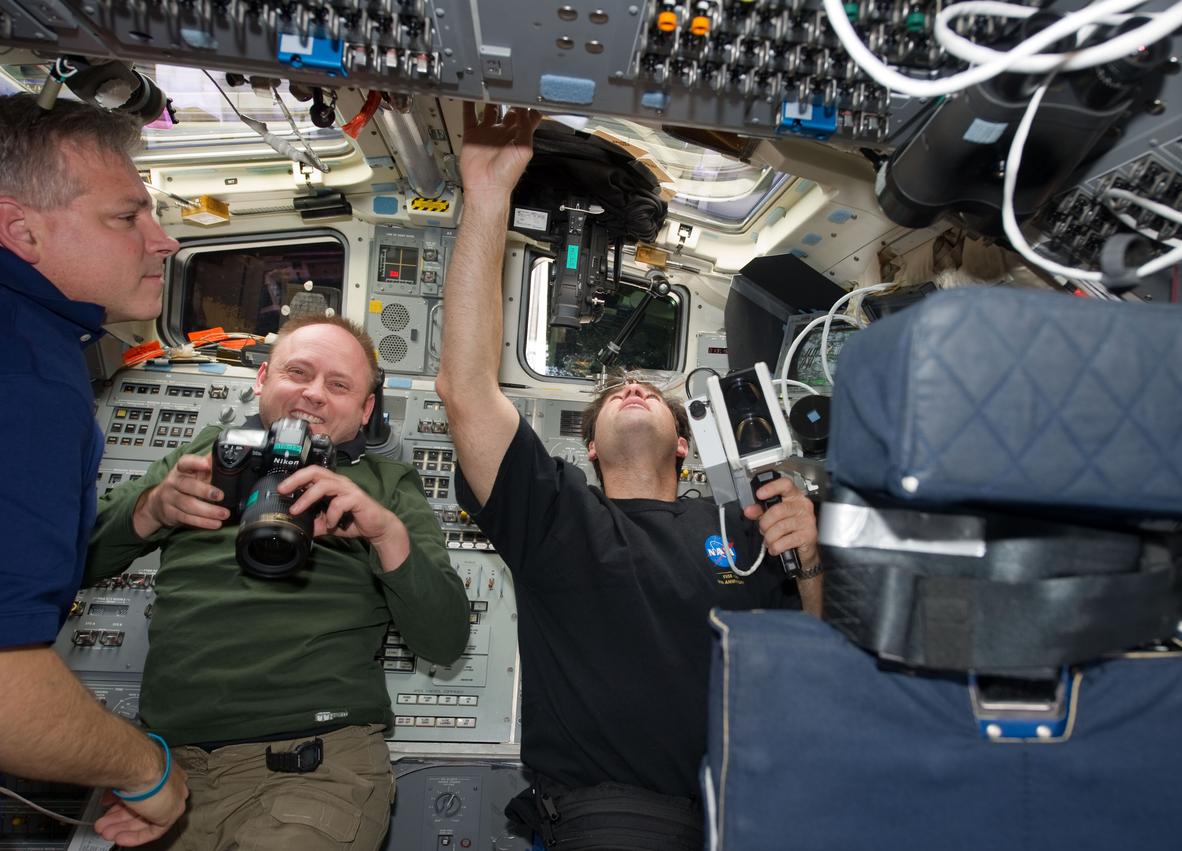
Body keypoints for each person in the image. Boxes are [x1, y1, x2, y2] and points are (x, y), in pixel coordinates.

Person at [436, 105, 824, 850]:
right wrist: (487, 198)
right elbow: (467, 390)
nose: (633, 388)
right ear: (588, 453)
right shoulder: (555, 515)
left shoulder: (744, 524)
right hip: (611, 819)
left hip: (747, 807)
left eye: (648, 389)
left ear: (686, 445)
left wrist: (808, 561)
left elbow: (814, 667)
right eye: (612, 396)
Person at [85, 314, 471, 851]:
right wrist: (151, 509)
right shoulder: (208, 456)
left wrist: (385, 535)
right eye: (299, 373)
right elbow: (70, 560)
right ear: (262, 379)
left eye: (338, 386)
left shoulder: (385, 486)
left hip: (313, 765)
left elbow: (446, 638)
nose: (314, 394)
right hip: (168, 772)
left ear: (363, 413)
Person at [0, 92, 189, 847]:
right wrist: (150, 772)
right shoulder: (28, 377)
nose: (165, 240)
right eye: (127, 217)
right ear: (21, 229)